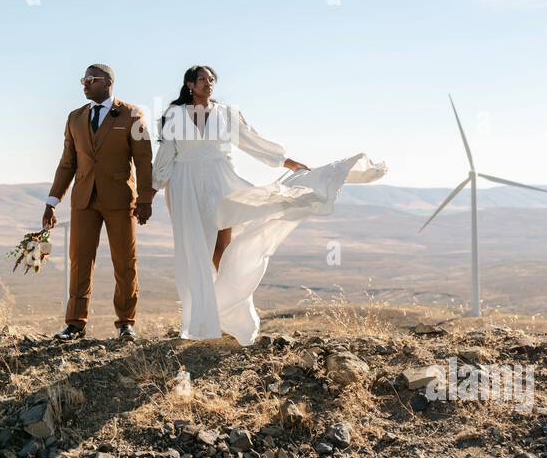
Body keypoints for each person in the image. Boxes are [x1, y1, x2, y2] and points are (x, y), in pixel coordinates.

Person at [151, 64, 386, 344]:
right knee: (192, 254)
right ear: (190, 84)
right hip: (185, 187)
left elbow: (253, 141)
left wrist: (286, 162)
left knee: (221, 250)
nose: (208, 83)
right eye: (202, 79)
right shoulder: (174, 115)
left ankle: (230, 314)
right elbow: (166, 155)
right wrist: (149, 192)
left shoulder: (227, 114)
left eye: (212, 79)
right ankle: (199, 321)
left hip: (220, 184)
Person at [44, 64, 154, 342]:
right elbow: (67, 163)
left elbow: (143, 160)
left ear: (107, 82)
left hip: (120, 200)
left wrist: (145, 199)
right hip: (83, 201)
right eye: (83, 80)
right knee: (79, 261)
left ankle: (126, 323)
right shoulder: (75, 118)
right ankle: (74, 324)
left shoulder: (133, 115)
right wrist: (52, 201)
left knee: (125, 262)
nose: (84, 85)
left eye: (89, 80)